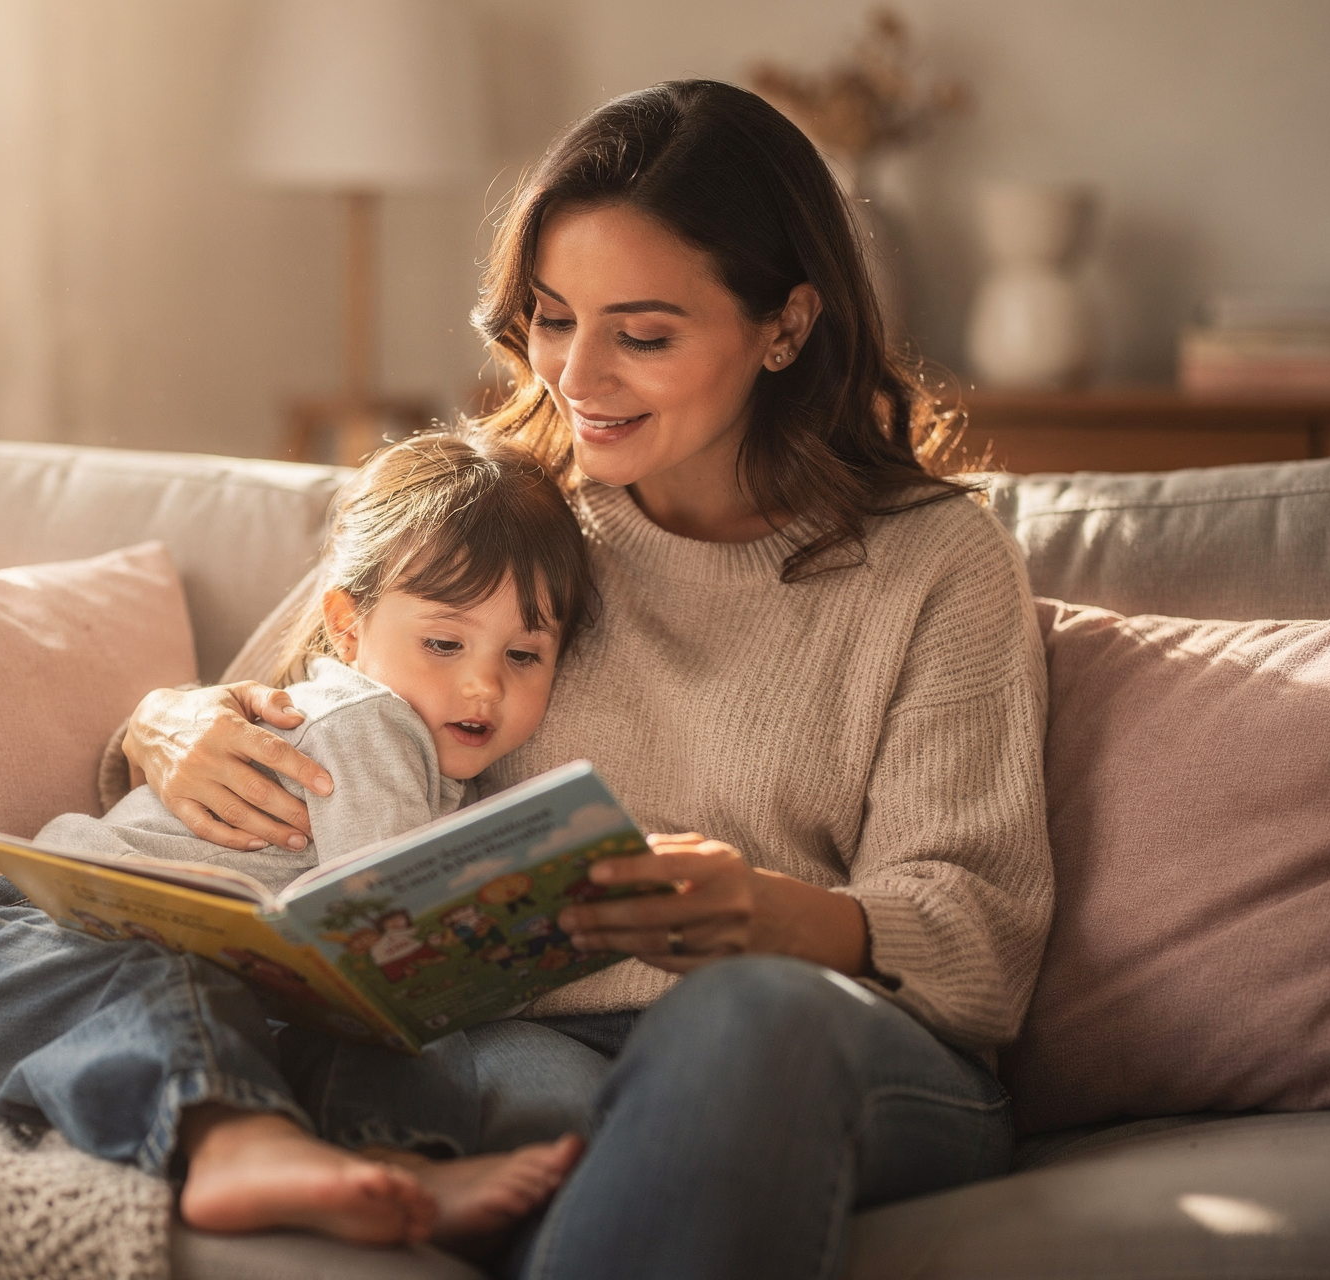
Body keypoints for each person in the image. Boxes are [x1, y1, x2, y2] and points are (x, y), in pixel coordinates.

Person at [115, 79, 1052, 1278]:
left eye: (644, 335)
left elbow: (979, 941)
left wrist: (764, 915)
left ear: (787, 323)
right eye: (553, 318)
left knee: (741, 1010)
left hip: (824, 1047)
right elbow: (255, 722)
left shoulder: (934, 562)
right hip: (511, 1061)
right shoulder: (506, 509)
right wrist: (167, 725)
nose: (577, 374)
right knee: (447, 1075)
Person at [0, 430, 600, 1251]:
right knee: (222, 986)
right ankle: (262, 1147)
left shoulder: (440, 784)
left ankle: (329, 1157)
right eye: (445, 643)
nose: (482, 684)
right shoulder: (368, 721)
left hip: (23, 1036)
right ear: (347, 629)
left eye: (524, 654)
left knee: (291, 1014)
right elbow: (402, 944)